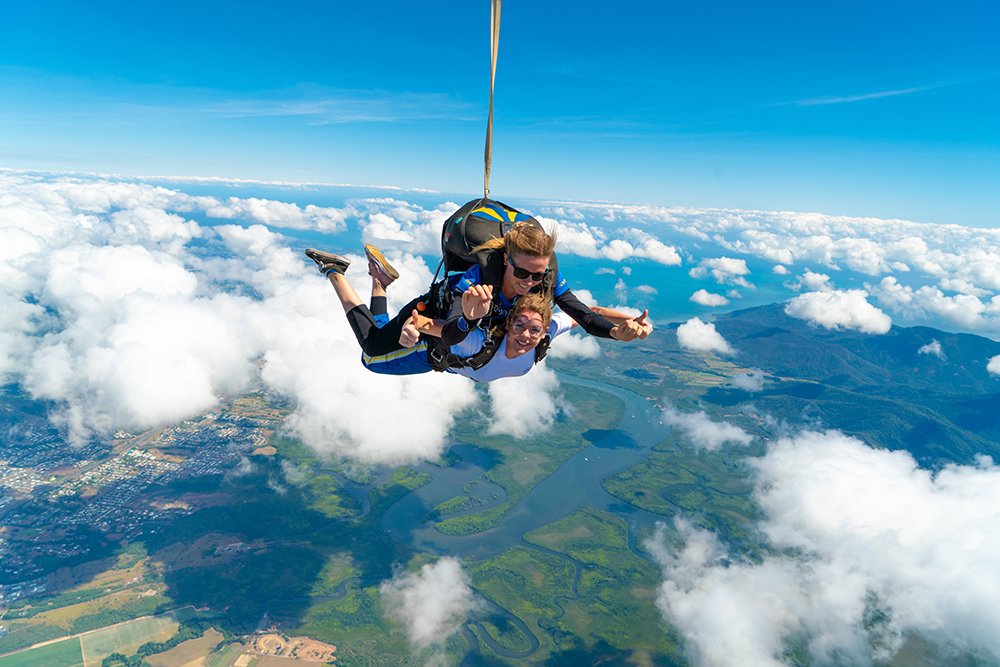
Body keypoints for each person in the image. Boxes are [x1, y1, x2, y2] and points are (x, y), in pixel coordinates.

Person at [308, 246, 573, 381]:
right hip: (425, 348)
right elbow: (435, 327)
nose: (527, 336)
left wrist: (614, 329)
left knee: (380, 334)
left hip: (433, 311)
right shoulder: (477, 341)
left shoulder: (544, 330)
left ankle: (380, 281)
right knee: (370, 353)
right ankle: (334, 271)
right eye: (521, 328)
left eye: (534, 330)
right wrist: (414, 329)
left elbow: (582, 316)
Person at [436, 223, 652, 347]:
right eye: (521, 272)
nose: (529, 282)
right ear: (505, 260)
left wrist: (615, 332)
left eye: (538, 275)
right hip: (434, 315)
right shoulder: (477, 282)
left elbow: (583, 315)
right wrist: (468, 319)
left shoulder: (549, 279)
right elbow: (448, 337)